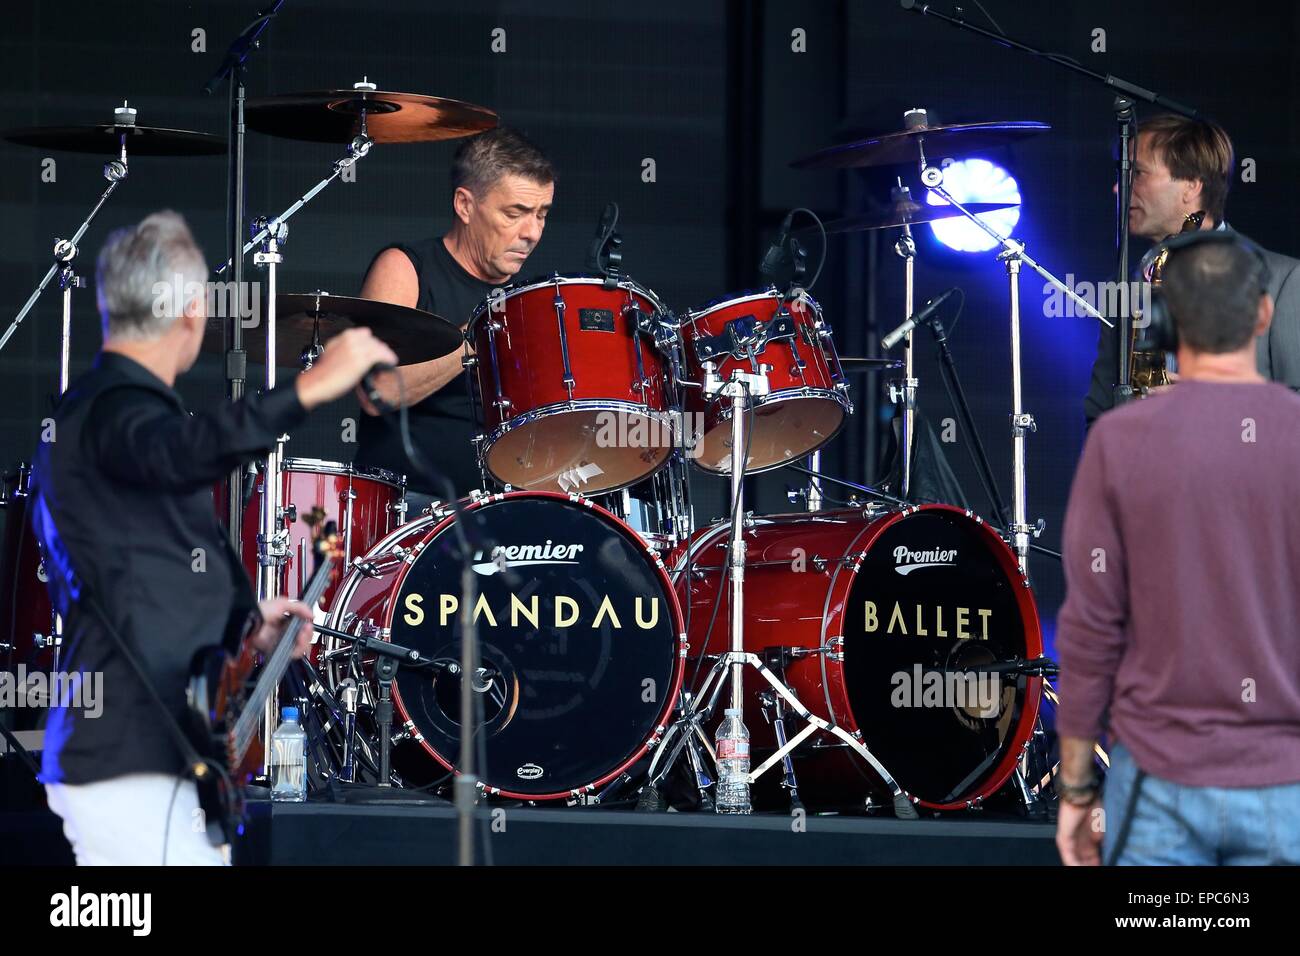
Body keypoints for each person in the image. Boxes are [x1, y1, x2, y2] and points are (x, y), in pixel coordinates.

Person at [30, 211, 397, 865]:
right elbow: (183, 452)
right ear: (193, 313)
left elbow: (150, 569)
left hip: (149, 756)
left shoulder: (104, 416)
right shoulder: (114, 412)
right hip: (129, 760)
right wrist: (310, 387)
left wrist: (248, 623)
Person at [1056, 233, 1300, 865]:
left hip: (1155, 781)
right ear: (1264, 315)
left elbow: (1088, 631)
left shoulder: (1118, 441)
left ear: (1162, 323)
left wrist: (1078, 788)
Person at [354, 127, 555, 506]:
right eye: (515, 213)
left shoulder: (529, 299)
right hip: (408, 510)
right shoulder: (406, 268)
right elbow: (376, 391)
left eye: (542, 214)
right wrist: (478, 335)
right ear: (465, 205)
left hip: (503, 507)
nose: (532, 232)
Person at [1084, 114, 1300, 423]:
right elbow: (1099, 414)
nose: (1119, 188)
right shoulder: (1124, 288)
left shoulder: (1286, 281)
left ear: (1192, 185)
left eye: (1138, 173)